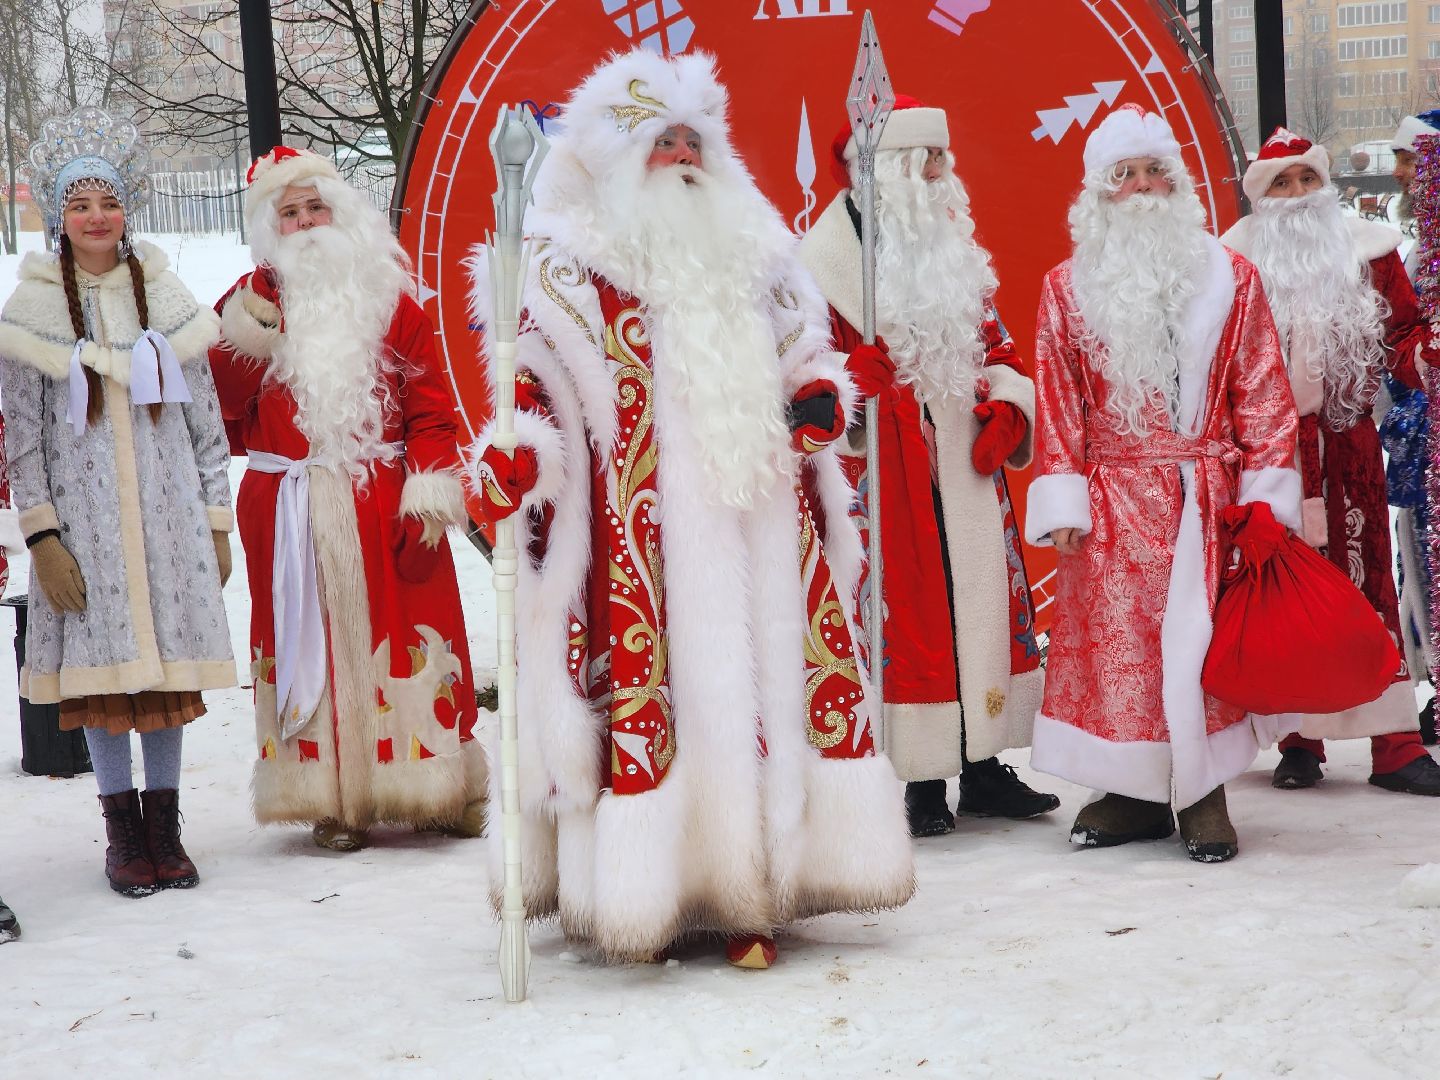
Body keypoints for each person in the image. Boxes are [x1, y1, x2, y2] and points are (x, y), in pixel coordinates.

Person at [467, 48, 914, 968]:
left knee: (764, 693)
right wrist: (517, 459)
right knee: (657, 697)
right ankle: (653, 894)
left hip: (760, 527)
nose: (680, 156)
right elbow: (533, 403)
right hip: (640, 546)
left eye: (691, 141)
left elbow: (804, 359)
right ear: (619, 161)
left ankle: (760, 888)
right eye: (660, 142)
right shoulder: (562, 273)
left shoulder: (760, 255)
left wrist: (818, 396)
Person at [1024, 105, 1301, 863]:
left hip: (1206, 498)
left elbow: (1264, 393)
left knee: (1201, 643)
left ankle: (1203, 791)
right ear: (1099, 191)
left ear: (1177, 183)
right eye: (1126, 174)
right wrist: (1063, 495)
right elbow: (1058, 399)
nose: (1143, 186)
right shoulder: (1066, 288)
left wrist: (1265, 501)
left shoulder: (1232, 278)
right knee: (1126, 649)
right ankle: (1134, 792)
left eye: (1156, 171)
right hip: (1111, 496)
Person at [798, 97, 1057, 838]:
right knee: (907, 619)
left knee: (972, 605)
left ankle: (982, 766)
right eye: (926, 159)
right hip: (880, 470)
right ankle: (916, 776)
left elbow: (997, 345)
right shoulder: (822, 266)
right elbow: (802, 372)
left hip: (964, 463)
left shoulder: (952, 249)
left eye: (943, 156)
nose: (942, 171)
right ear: (883, 169)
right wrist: (849, 387)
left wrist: (1009, 405)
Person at [210, 148, 482, 852]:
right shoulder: (247, 305)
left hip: (384, 501)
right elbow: (223, 413)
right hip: (291, 510)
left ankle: (439, 787)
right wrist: (246, 337)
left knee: (415, 634)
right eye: (289, 213)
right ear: (270, 228)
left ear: (342, 212)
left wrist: (428, 495)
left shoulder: (391, 300)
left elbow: (432, 409)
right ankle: (329, 797)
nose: (305, 223)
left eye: (316, 207)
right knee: (311, 642)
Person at [0, 106, 234, 897]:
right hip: (87, 535)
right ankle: (122, 832)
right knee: (103, 685)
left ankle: (165, 827)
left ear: (127, 209)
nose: (96, 217)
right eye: (80, 204)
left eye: (108, 202)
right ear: (57, 216)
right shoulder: (32, 316)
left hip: (167, 530)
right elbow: (23, 438)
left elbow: (207, 426)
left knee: (163, 680)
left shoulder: (165, 299)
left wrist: (215, 522)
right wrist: (43, 537)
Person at [1221, 128, 1440, 796]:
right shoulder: (1232, 263)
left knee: (1368, 586)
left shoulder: (1368, 251)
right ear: (1261, 196)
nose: (1296, 195)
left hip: (1348, 449)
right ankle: (1299, 739)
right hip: (1271, 454)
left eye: (1307, 180)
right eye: (1281, 183)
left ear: (1325, 185)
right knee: (1287, 594)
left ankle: (1395, 745)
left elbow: (1404, 333)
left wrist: (1426, 355)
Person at [1383, 111, 1440, 746]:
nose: (1399, 172)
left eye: (1408, 159)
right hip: (1424, 440)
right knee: (1425, 562)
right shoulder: (1419, 248)